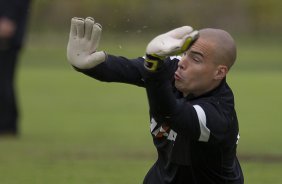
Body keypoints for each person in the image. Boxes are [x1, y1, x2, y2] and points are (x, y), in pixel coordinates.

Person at [67, 17, 244, 184]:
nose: (183, 62)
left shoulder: (219, 115)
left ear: (219, 72)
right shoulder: (176, 68)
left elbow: (171, 113)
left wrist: (154, 65)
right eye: (185, 54)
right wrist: (88, 64)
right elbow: (130, 69)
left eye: (196, 59)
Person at [0, 0, 31, 136]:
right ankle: (8, 125)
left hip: (7, 36)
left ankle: (7, 126)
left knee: (3, 82)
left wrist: (8, 17)